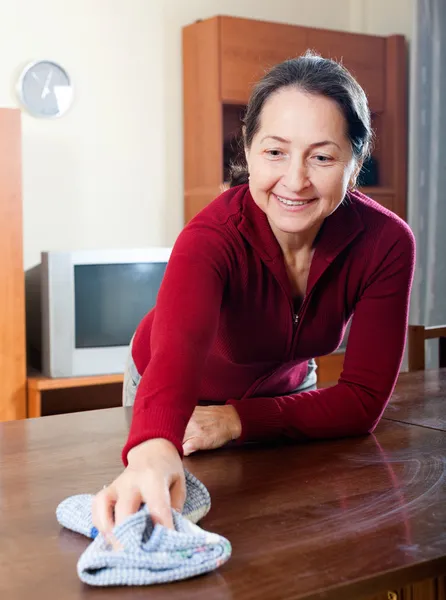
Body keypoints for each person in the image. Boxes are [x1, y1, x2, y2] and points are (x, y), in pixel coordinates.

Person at [92, 51, 415, 535]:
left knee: (285, 528)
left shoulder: (386, 243)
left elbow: (363, 399)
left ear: (356, 162)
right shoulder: (210, 239)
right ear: (247, 149)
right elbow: (174, 361)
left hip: (283, 394)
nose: (295, 180)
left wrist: (238, 420)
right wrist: (153, 447)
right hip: (173, 391)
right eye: (275, 152)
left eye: (323, 157)